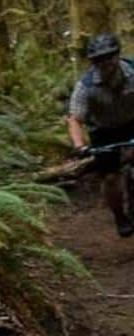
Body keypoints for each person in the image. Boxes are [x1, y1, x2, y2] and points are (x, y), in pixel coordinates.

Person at [69, 33, 134, 238]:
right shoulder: (86, 86)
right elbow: (75, 119)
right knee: (110, 178)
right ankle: (119, 215)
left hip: (132, 122)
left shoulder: (133, 71)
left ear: (117, 55)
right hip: (103, 130)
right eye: (98, 59)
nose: (104, 62)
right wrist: (80, 145)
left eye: (109, 57)